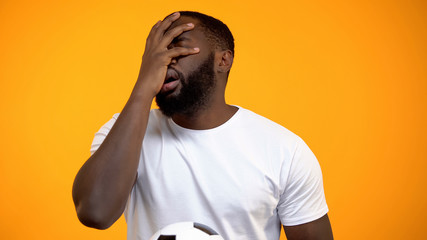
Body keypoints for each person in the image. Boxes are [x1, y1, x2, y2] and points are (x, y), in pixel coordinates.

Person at [72, 11, 334, 240]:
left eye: (178, 47)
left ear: (223, 60)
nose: (164, 59)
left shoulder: (285, 150)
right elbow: (95, 212)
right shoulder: (123, 132)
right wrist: (142, 89)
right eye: (156, 52)